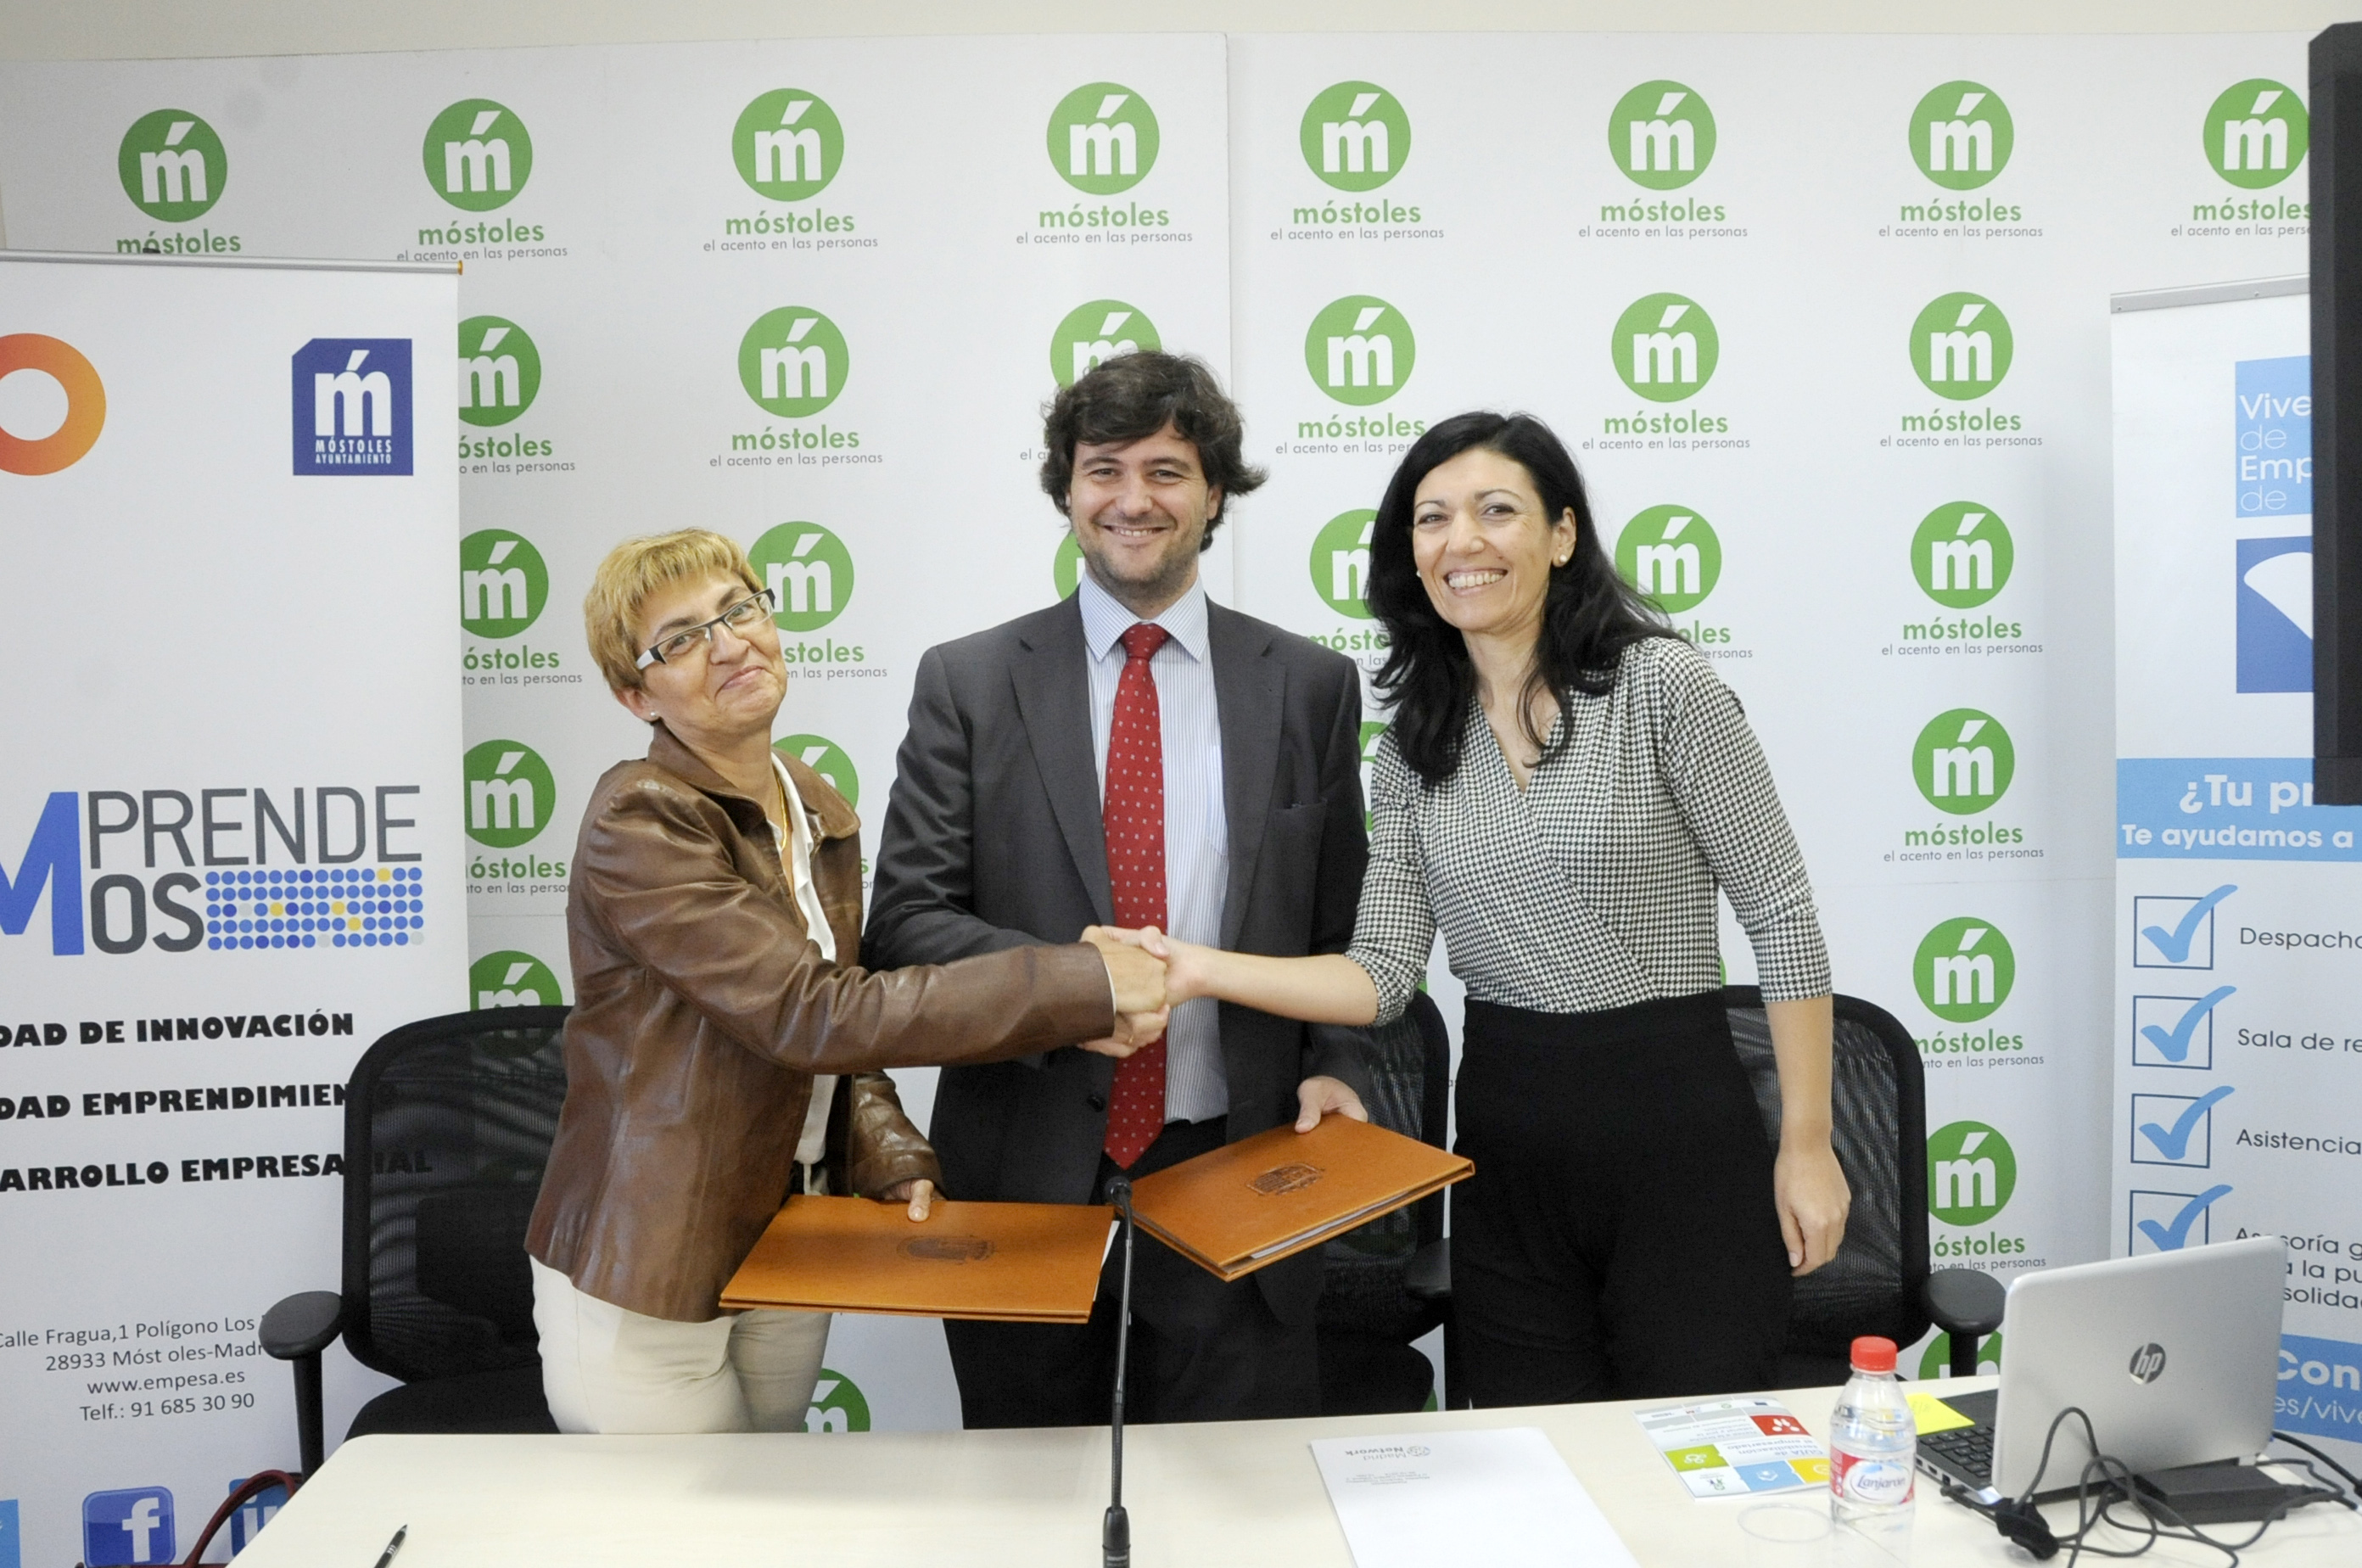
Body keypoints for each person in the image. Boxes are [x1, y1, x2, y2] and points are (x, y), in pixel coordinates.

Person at [1122, 412, 1850, 1406]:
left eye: (1496, 510)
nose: (1461, 540)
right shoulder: (1414, 746)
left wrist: (1807, 1143)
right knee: (1529, 1463)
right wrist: (1196, 968)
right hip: (1507, 1152)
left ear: (1562, 534)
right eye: (1432, 519)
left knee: (1691, 1458)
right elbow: (1380, 977)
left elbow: (1783, 915)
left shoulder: (1660, 686)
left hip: (1680, 1137)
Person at [525, 528, 1167, 1435]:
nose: (729, 645)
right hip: (652, 1256)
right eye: (682, 640)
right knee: (684, 1516)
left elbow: (833, 1036)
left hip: (788, 1228)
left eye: (738, 610)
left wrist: (886, 1150)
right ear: (638, 696)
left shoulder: (809, 800)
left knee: (780, 1501)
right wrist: (1081, 982)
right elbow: (813, 1014)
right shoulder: (642, 819)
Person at [863, 351, 1372, 1427]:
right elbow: (904, 924)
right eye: (1104, 470)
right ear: (1066, 492)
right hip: (1024, 1172)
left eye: (1166, 470)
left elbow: (1347, 925)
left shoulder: (1309, 687)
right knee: (1028, 1495)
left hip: (1239, 1167)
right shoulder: (969, 682)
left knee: (1233, 1497)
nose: (1133, 500)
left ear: (1215, 494)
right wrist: (1074, 987)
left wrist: (1338, 1062)